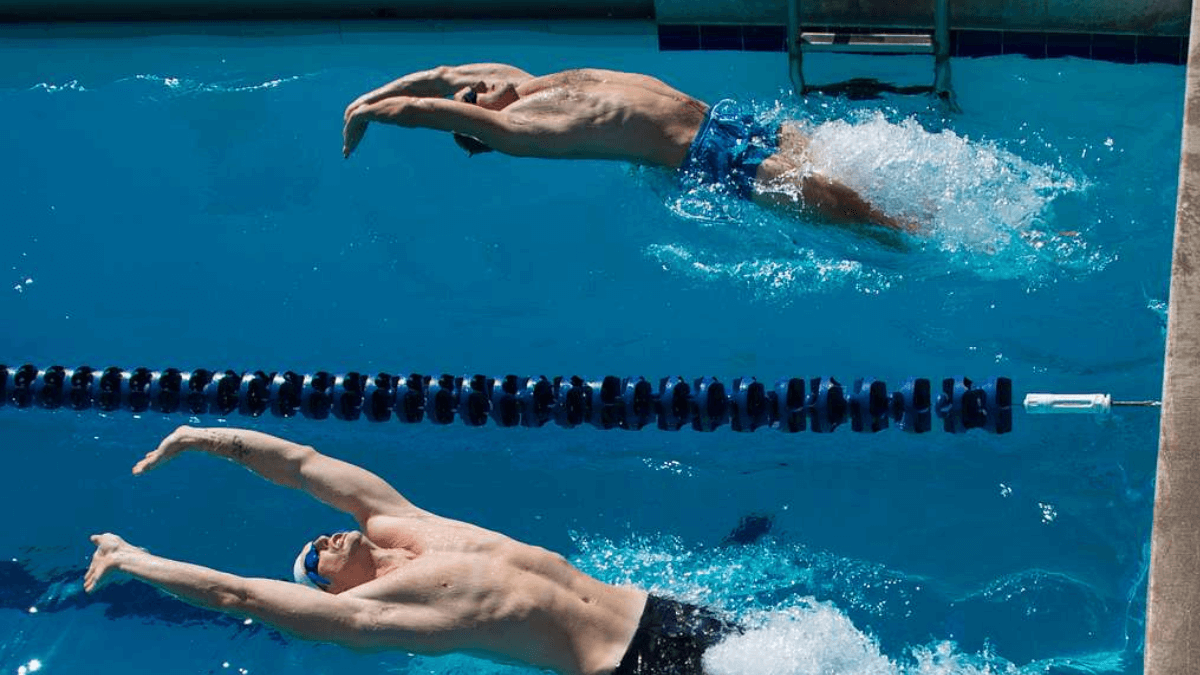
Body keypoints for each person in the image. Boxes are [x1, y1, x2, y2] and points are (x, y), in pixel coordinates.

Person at [85, 426, 742, 675]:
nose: (321, 539)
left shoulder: (406, 524)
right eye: (313, 558)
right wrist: (131, 556)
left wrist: (200, 437)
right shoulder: (374, 612)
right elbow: (239, 594)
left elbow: (303, 463)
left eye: (315, 538)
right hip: (633, 667)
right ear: (331, 589)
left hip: (662, 612)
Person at [341, 63, 913, 232]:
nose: (478, 82)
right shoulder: (518, 129)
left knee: (847, 160)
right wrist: (365, 113)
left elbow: (441, 76)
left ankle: (910, 213)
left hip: (726, 119)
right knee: (850, 209)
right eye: (472, 96)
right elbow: (422, 109)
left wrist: (369, 92)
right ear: (477, 119)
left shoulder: (524, 83)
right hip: (711, 158)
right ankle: (913, 238)